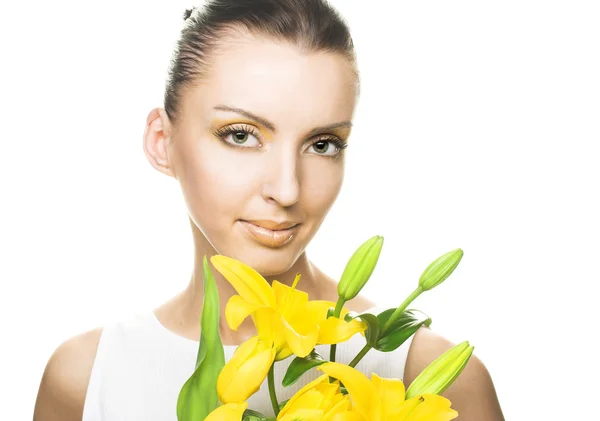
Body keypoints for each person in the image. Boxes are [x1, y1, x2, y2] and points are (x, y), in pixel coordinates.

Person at [33, 1, 505, 420]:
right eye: (240, 134)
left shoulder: (429, 378)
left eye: (322, 144)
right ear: (163, 142)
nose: (286, 189)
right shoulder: (85, 377)